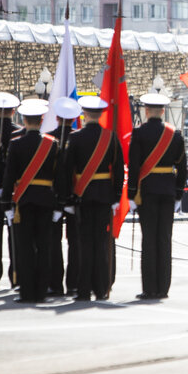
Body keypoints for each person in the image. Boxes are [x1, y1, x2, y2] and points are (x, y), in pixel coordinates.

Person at [61, 95, 124, 302]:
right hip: (105, 196)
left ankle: (83, 290)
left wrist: (68, 199)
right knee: (101, 244)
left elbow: (67, 170)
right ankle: (101, 289)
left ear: (84, 114)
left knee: (84, 244)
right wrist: (115, 197)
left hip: (82, 197)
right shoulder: (111, 137)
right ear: (101, 114)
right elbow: (118, 170)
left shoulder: (75, 138)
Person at [127, 93, 187, 300]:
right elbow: (182, 168)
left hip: (147, 192)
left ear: (146, 111)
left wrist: (131, 195)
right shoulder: (175, 135)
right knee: (165, 239)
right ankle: (163, 288)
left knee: (149, 240)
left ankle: (150, 288)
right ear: (163, 112)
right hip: (168, 192)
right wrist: (178, 193)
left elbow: (134, 167)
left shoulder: (139, 134)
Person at [1, 100, 59, 303]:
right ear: (42, 120)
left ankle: (27, 291)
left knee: (25, 247)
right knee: (44, 246)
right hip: (46, 199)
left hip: (23, 201)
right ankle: (42, 290)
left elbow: (9, 176)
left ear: (24, 120)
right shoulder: (52, 144)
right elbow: (58, 177)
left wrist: (6, 203)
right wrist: (59, 204)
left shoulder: (16, 144)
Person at [0, 91, 23, 290]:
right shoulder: (20, 132)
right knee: (15, 237)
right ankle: (15, 278)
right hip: (16, 190)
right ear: (14, 111)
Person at [46, 97, 81, 296]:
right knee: (75, 243)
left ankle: (55, 284)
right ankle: (74, 283)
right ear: (75, 118)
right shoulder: (79, 138)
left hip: (53, 196)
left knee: (53, 242)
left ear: (57, 117)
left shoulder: (48, 139)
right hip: (76, 196)